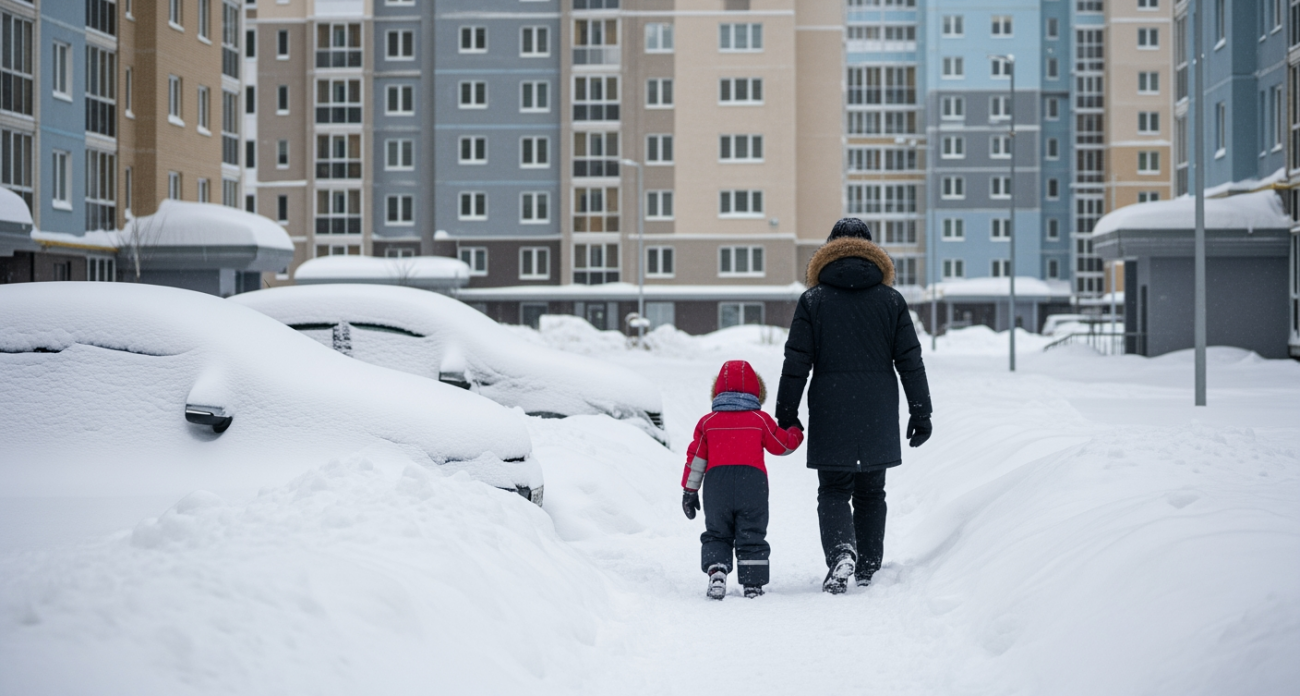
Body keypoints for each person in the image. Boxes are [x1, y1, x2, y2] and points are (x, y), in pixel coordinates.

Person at [774, 218, 932, 595]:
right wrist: (921, 411)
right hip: (877, 408)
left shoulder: (813, 300)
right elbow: (910, 359)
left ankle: (842, 552)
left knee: (832, 490)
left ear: (828, 250)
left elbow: (796, 360)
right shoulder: (890, 300)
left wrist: (786, 411)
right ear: (872, 251)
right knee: (871, 492)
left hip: (831, 409)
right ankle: (867, 567)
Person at [681, 360, 805, 600]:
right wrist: (795, 431)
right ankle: (753, 582)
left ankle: (717, 571)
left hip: (717, 486)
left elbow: (696, 459)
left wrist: (690, 490)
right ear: (756, 390)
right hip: (753, 484)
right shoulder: (760, 420)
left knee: (717, 532)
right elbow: (782, 446)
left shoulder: (707, 423)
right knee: (751, 532)